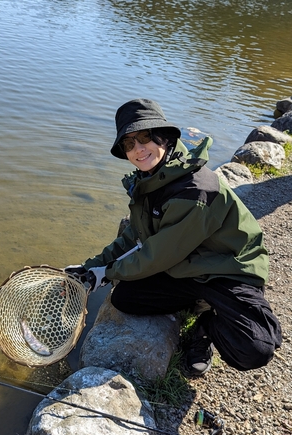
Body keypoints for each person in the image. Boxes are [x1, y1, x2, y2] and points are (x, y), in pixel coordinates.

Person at [65, 98, 282, 376]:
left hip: (225, 269)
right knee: (126, 299)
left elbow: (156, 254)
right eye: (128, 144)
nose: (138, 149)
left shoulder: (195, 190)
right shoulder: (151, 178)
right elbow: (136, 237)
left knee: (256, 347)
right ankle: (198, 304)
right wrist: (90, 267)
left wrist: (106, 273)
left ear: (164, 137)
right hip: (185, 267)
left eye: (144, 137)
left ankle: (207, 324)